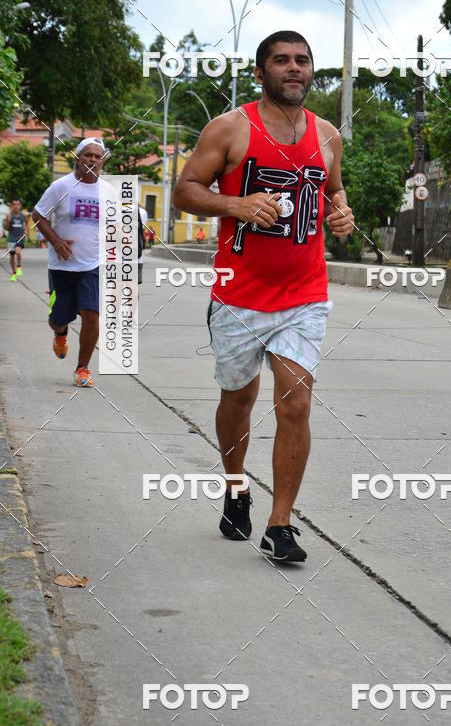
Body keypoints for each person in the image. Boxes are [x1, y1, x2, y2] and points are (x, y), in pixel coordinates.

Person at [174, 30, 354, 562]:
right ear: (261, 72)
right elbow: (186, 188)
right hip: (239, 295)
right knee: (239, 400)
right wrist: (236, 205)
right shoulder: (231, 128)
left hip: (303, 295)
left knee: (295, 404)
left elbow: (332, 191)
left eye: (302, 60)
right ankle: (236, 485)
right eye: (281, 60)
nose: (293, 68)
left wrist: (340, 215)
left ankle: (281, 525)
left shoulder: (326, 135)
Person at [33, 138, 106, 387]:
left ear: (102, 161)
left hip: (92, 265)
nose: (93, 160)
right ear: (78, 158)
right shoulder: (60, 186)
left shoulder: (108, 191)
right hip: (62, 266)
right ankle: (60, 332)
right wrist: (56, 241)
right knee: (59, 317)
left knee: (92, 314)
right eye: (88, 155)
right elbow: (38, 215)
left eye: (98, 156)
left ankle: (82, 368)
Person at [4, 199, 27, 282]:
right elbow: (6, 228)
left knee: (18, 252)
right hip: (11, 238)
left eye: (18, 204)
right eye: (14, 205)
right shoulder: (9, 215)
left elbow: (27, 223)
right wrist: (8, 221)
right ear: (12, 206)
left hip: (20, 237)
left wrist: (26, 230)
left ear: (20, 206)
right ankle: (14, 273)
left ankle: (19, 267)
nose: (16, 206)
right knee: (12, 256)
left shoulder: (23, 215)